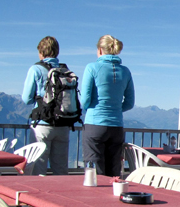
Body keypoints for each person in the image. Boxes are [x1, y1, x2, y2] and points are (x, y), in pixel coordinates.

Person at [78, 34, 134, 177]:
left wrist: (93, 109)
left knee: (94, 171)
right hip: (116, 126)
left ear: (100, 50)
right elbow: (129, 102)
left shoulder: (92, 68)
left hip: (94, 124)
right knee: (114, 171)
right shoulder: (125, 71)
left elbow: (85, 100)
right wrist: (115, 109)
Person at [21, 36, 69, 175]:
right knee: (61, 170)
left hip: (42, 124)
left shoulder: (35, 69)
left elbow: (26, 99)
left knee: (38, 168)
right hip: (63, 124)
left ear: (41, 52)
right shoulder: (65, 70)